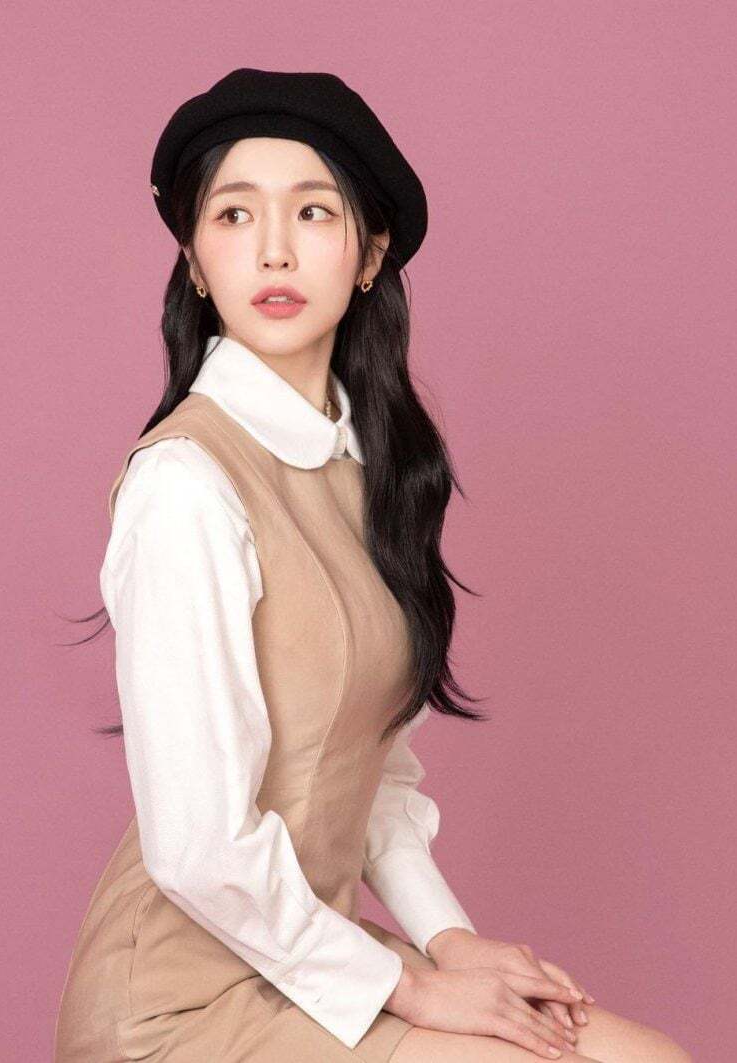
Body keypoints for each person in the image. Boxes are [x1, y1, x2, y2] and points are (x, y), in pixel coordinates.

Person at [54, 69, 692, 1062]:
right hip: (182, 999)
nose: (273, 249)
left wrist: (448, 941)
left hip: (313, 956)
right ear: (193, 259)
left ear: (369, 253)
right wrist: (417, 988)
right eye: (233, 214)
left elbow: (373, 764)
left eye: (312, 212)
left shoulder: (363, 470)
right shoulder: (185, 482)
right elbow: (197, 848)